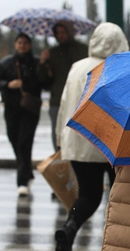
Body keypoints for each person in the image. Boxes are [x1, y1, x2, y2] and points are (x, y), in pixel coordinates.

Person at [53, 22, 129, 251]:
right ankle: (119, 247)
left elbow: (65, 105)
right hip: (110, 144)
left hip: (78, 141)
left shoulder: (77, 67)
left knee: (88, 194)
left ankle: (70, 227)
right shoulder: (119, 67)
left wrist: (59, 140)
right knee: (120, 197)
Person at [0, 33, 45, 196]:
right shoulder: (6, 63)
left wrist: (44, 65)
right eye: (20, 42)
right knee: (14, 140)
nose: (22, 45)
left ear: (30, 45)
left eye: (25, 43)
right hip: (11, 108)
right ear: (15, 44)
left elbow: (44, 82)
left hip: (29, 109)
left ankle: (22, 181)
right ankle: (28, 173)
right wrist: (8, 84)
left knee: (24, 143)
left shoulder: (36, 62)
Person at [37, 20, 88, 152]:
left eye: (63, 32)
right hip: (57, 100)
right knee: (58, 134)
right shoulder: (52, 53)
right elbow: (43, 80)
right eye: (58, 32)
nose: (60, 35)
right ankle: (61, 163)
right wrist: (43, 63)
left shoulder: (83, 50)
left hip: (80, 99)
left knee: (79, 135)